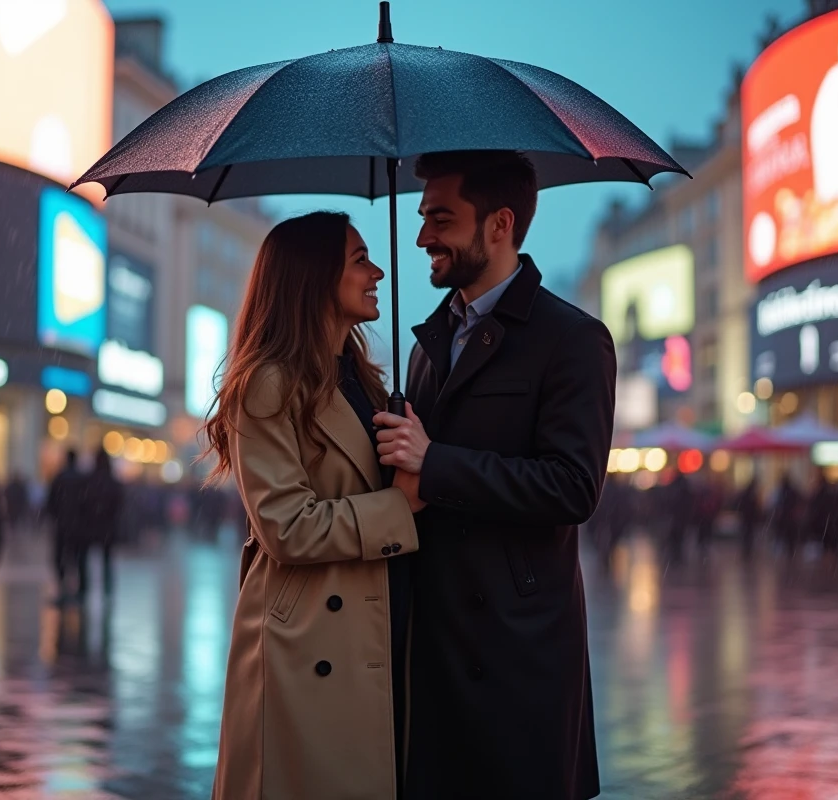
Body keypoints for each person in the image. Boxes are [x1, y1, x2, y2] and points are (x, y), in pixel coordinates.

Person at [374, 150, 614, 800]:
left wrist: (437, 462)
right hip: (434, 651)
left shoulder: (571, 339)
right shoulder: (429, 342)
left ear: (499, 225)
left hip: (517, 657)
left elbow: (573, 486)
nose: (423, 235)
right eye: (423, 217)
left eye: (441, 218)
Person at [204, 212, 422, 800]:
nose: (377, 272)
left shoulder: (364, 380)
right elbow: (286, 527)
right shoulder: (268, 384)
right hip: (307, 643)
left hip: (372, 623)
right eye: (359, 260)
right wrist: (398, 506)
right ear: (314, 276)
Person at [77, 449, 123, 600]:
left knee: (84, 558)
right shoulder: (113, 482)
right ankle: (107, 588)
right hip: (106, 528)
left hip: (89, 527)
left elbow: (82, 504)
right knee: (107, 559)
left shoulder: (88, 481)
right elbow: (119, 506)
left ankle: (84, 587)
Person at [46, 450, 85, 603]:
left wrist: (55, 517)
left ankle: (62, 588)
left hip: (62, 524)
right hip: (77, 526)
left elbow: (51, 502)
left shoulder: (59, 478)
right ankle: (79, 590)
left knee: (60, 558)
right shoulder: (81, 479)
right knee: (77, 558)